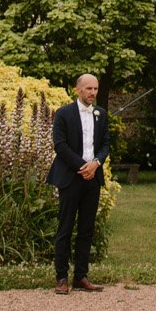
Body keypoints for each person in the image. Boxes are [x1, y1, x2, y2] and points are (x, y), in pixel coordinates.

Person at [48, 73, 110, 294]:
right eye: (88, 89)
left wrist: (95, 164)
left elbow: (105, 144)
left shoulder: (100, 114)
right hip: (70, 177)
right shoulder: (64, 114)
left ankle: (81, 276)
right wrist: (82, 166)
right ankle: (62, 278)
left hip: (92, 178)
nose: (93, 93)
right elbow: (60, 145)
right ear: (78, 90)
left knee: (86, 229)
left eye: (95, 89)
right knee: (65, 227)